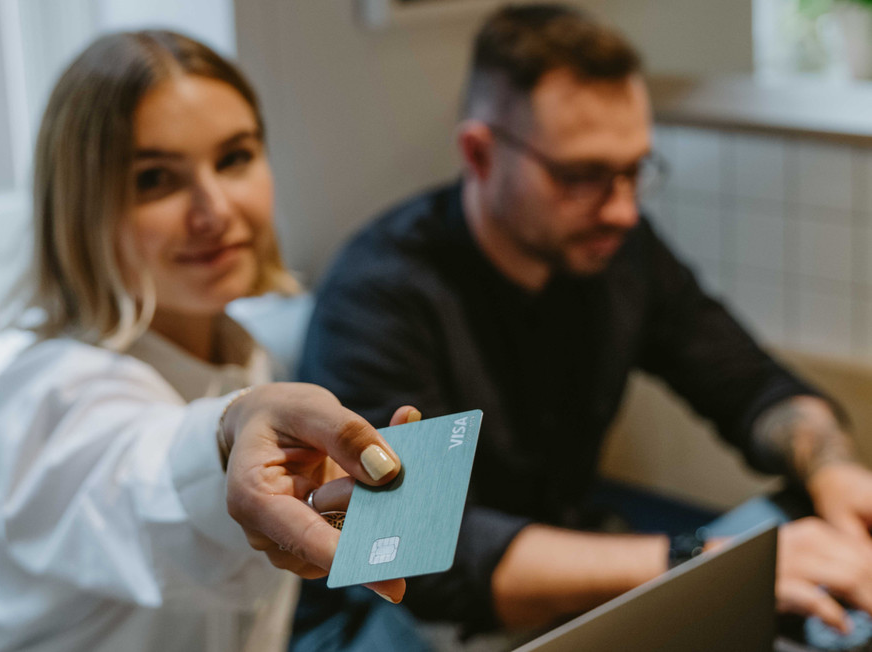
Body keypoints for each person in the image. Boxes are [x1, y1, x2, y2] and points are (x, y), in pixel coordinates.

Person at [297, 4, 872, 646]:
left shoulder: (616, 252)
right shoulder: (379, 294)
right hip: (396, 614)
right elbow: (415, 551)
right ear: (480, 153)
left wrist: (832, 469)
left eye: (633, 171)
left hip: (562, 579)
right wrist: (693, 558)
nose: (623, 210)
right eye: (584, 177)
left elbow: (745, 381)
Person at [0, 30, 411, 652]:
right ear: (84, 207)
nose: (213, 209)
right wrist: (230, 433)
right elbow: (140, 479)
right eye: (156, 179)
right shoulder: (51, 395)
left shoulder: (241, 350)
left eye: (235, 157)